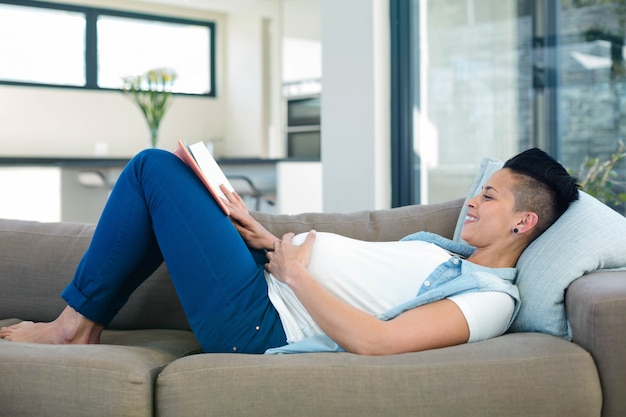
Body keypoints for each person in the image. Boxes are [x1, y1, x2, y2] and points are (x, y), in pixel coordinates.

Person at [0, 148, 579, 355]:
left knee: (152, 168)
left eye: (488, 196)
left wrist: (296, 276)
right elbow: (364, 283)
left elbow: (374, 341)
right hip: (270, 284)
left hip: (260, 323)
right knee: (176, 184)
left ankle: (72, 328)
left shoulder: (489, 301)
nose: (472, 203)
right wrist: (269, 241)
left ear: (524, 222)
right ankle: (79, 324)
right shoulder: (447, 255)